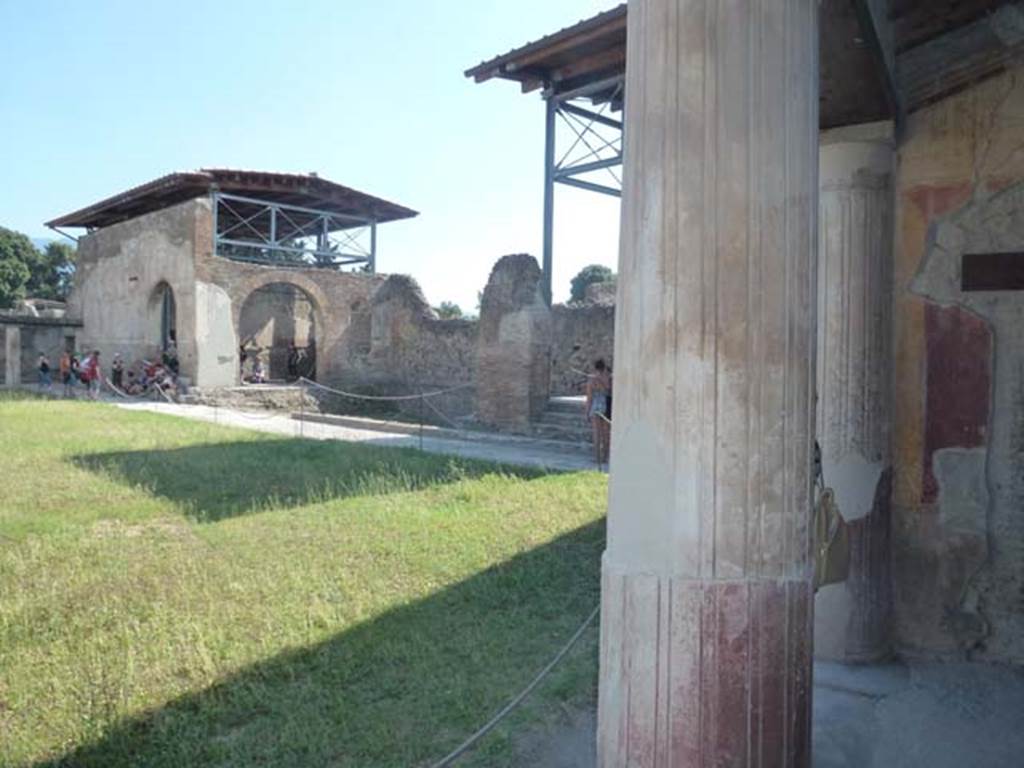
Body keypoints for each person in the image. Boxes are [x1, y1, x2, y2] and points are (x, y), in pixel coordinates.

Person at [585, 358, 613, 466]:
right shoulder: (608, 379)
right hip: (606, 405)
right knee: (606, 433)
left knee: (596, 433)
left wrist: (587, 412)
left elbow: (589, 398)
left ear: (595, 368)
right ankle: (605, 457)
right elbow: (609, 391)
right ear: (604, 367)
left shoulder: (591, 381)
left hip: (595, 406)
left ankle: (597, 458)